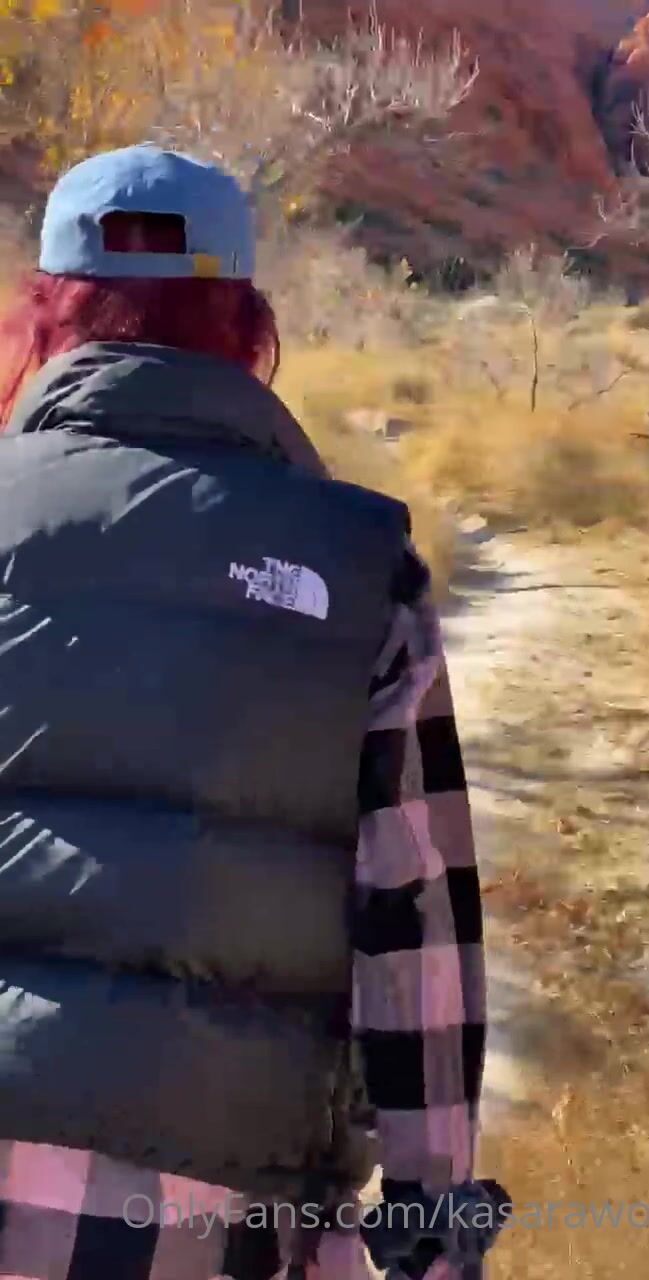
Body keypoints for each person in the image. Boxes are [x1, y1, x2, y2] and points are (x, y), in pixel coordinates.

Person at [0, 144, 500, 1279]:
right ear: (244, 326)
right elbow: (416, 924)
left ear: (47, 314)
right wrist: (432, 1230)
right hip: (215, 1217)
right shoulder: (359, 567)